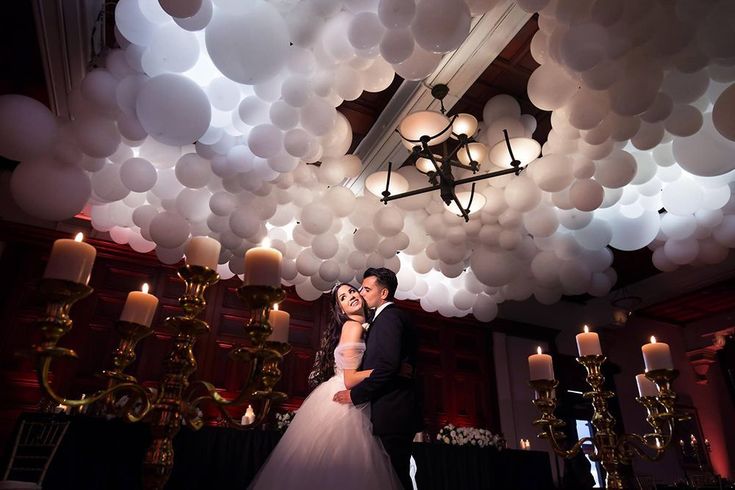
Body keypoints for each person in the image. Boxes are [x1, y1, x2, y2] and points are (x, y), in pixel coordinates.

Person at [248, 283, 402, 490]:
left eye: (352, 291)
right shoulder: (353, 326)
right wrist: (390, 370)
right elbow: (350, 379)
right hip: (344, 401)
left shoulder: (363, 326)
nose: (351, 296)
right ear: (341, 309)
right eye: (343, 298)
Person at [333, 267, 421, 490]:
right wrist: (390, 369)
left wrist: (354, 396)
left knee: (393, 478)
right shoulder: (369, 323)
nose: (360, 293)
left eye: (365, 288)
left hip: (392, 412)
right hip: (387, 411)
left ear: (383, 293)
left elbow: (387, 367)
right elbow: (386, 367)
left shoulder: (388, 318)